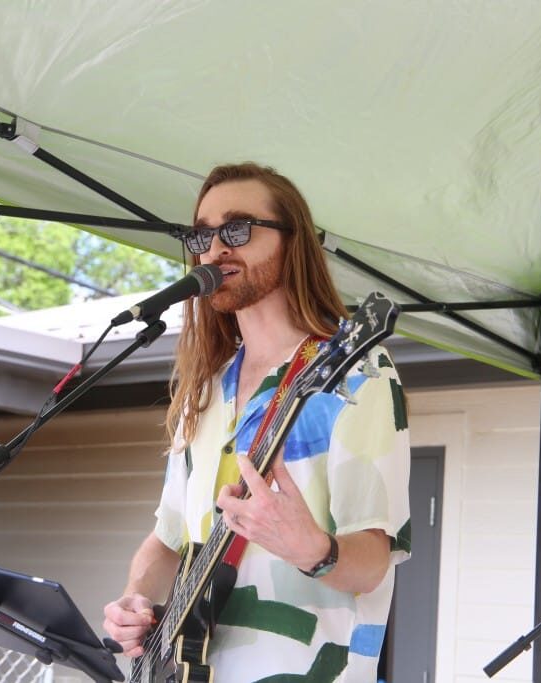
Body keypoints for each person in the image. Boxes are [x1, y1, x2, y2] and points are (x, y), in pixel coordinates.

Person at [103, 162, 411, 682]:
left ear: (292, 244)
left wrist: (312, 547)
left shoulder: (358, 376)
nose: (216, 248)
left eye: (238, 229)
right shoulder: (204, 390)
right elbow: (167, 538)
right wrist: (135, 600)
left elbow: (373, 561)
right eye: (202, 234)